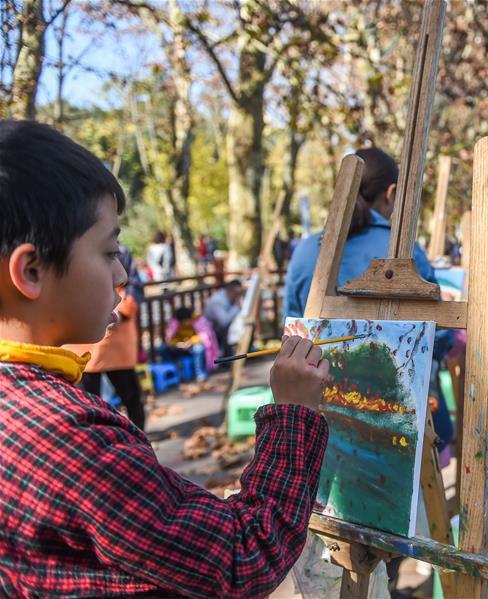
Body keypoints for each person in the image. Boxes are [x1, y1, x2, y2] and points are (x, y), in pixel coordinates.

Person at [0, 119, 330, 597]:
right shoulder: (70, 439)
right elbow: (244, 555)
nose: (120, 274)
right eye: (109, 250)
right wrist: (294, 414)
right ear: (31, 270)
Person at [284, 147, 455, 454]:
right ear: (391, 193)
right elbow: (437, 333)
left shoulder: (305, 251)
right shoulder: (403, 252)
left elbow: (292, 338)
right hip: (398, 422)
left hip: (316, 424)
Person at [64, 244, 146, 429]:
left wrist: (123, 312)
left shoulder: (122, 251)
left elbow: (134, 285)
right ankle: (95, 440)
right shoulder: (70, 245)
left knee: (131, 395)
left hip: (117, 337)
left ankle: (140, 434)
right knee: (87, 401)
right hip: (82, 340)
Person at [163, 306, 220, 379]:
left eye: (186, 322)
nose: (185, 324)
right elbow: (170, 339)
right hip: (181, 346)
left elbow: (204, 336)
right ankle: (172, 373)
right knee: (163, 348)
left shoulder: (199, 321)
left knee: (198, 349)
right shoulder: (176, 324)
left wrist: (192, 342)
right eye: (182, 323)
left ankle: (199, 373)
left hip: (194, 346)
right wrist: (176, 344)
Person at [204, 278, 243, 355]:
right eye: (237, 294)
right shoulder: (217, 300)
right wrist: (236, 307)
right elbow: (223, 322)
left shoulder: (229, 298)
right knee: (228, 328)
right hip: (211, 330)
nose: (238, 296)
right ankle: (228, 359)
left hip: (219, 327)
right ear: (231, 292)